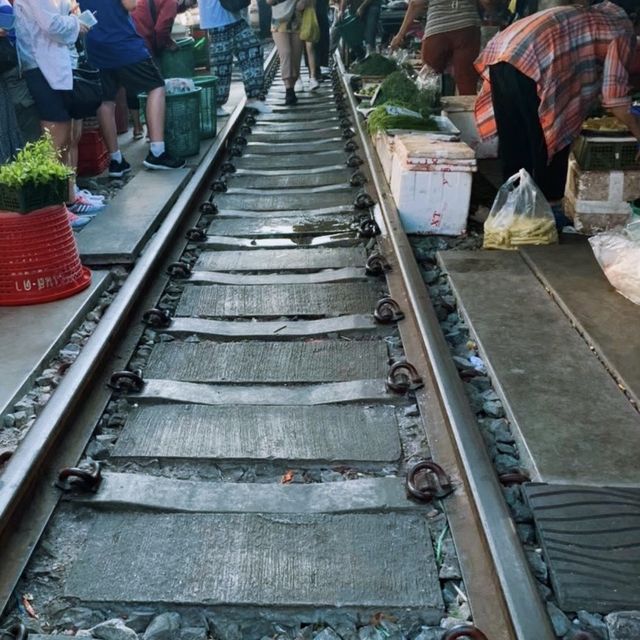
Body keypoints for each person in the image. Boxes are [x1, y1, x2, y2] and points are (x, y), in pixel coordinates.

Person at [474, 0, 640, 228]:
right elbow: (615, 100)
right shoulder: (622, 31)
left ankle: (512, 212)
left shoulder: (598, 18)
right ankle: (546, 215)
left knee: (514, 139)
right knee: (549, 136)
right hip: (530, 57)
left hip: (503, 52)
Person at [14, 0, 105, 219]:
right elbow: (52, 26)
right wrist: (75, 22)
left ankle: (68, 199)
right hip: (41, 66)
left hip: (51, 65)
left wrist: (71, 18)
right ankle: (57, 209)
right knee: (55, 140)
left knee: (64, 138)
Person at [77, 0, 185, 176]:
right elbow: (130, 5)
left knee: (106, 101)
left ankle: (116, 160)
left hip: (96, 45)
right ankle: (157, 152)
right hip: (122, 42)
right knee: (156, 86)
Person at [389, 0, 481, 95]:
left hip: (437, 30)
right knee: (466, 83)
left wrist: (400, 35)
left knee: (428, 82)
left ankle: (429, 106)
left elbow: (416, 3)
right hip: (467, 29)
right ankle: (468, 107)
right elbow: (487, 2)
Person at [199, 0, 272, 117]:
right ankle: (217, 105)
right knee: (221, 64)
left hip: (235, 16)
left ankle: (253, 98)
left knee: (252, 48)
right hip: (216, 20)